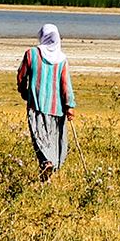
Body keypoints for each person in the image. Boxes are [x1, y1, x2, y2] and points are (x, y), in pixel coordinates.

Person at [16, 24, 76, 182]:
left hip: (36, 104)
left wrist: (24, 91)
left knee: (39, 136)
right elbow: (65, 84)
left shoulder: (32, 54)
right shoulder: (62, 59)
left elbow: (21, 75)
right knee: (54, 139)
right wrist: (69, 106)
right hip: (57, 108)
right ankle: (49, 170)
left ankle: (46, 163)